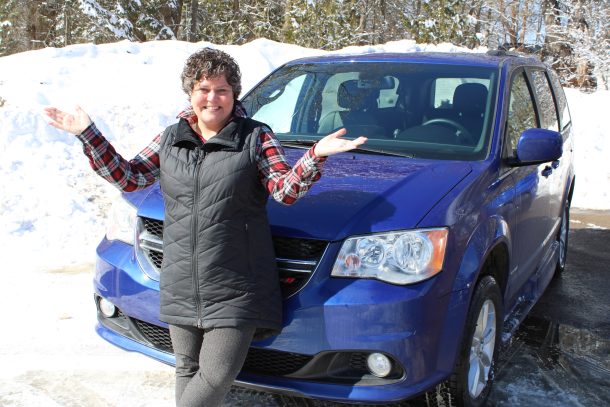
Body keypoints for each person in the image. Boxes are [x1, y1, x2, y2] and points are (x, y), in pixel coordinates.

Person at [44, 47, 366, 407]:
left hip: (236, 285)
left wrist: (314, 156)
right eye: (203, 88)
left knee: (215, 375)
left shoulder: (255, 137)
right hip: (181, 280)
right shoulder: (171, 138)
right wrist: (88, 134)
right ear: (190, 92)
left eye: (222, 90)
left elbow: (284, 192)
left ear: (234, 95)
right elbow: (130, 177)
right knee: (186, 368)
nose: (212, 98)